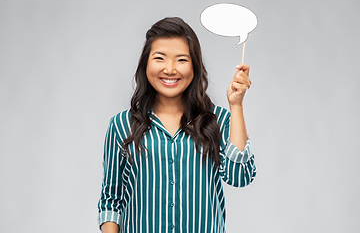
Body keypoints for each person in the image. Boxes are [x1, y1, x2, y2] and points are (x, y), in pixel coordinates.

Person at [98, 17, 256, 233]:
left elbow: (241, 176)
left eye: (181, 60)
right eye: (160, 58)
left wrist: (236, 106)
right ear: (146, 63)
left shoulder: (216, 119)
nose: (170, 69)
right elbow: (111, 199)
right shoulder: (121, 125)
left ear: (195, 66)